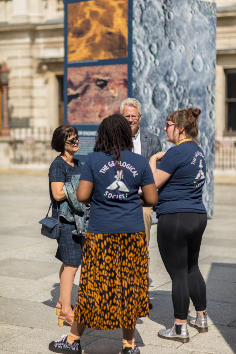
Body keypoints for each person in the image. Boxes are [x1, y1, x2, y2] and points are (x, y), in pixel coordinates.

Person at [49, 115, 158, 354]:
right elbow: (151, 199)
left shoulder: (94, 160)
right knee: (129, 287)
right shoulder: (139, 162)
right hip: (132, 234)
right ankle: (129, 346)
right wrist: (129, 198)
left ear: (104, 135)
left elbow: (82, 196)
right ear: (126, 135)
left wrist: (104, 197)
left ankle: (73, 340)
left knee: (92, 287)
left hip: (101, 234)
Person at [149, 107, 208, 343]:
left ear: (180, 128)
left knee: (179, 274)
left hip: (175, 217)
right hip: (197, 216)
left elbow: (151, 186)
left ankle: (180, 327)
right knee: (192, 267)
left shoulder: (176, 152)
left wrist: (153, 159)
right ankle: (201, 317)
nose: (165, 128)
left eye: (168, 125)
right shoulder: (198, 150)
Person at [120, 98, 162, 308]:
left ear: (140, 117)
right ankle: (122, 292)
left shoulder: (152, 140)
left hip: (143, 203)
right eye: (126, 116)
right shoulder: (114, 140)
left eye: (133, 116)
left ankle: (140, 294)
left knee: (141, 249)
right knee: (120, 249)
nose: (130, 120)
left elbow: (158, 174)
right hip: (119, 203)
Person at [49, 125, 84, 326]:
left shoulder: (78, 164)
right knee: (72, 264)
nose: (76, 142)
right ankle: (66, 311)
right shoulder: (58, 165)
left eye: (76, 138)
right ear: (62, 143)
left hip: (79, 219)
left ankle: (62, 300)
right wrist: (80, 188)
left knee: (68, 262)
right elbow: (57, 193)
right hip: (66, 221)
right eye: (72, 140)